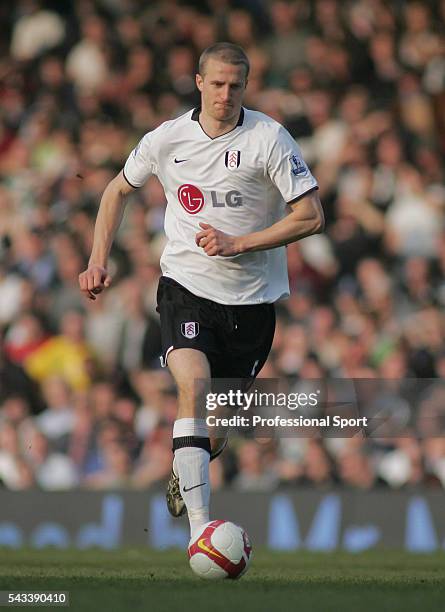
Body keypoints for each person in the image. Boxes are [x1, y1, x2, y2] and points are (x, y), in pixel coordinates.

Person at [78, 42, 324, 541]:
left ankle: (186, 469)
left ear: (245, 87)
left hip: (252, 302)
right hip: (185, 286)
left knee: (215, 427)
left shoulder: (269, 139)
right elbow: (116, 190)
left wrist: (241, 243)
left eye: (235, 85)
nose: (224, 94)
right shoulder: (167, 138)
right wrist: (98, 259)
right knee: (192, 381)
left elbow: (312, 216)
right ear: (198, 82)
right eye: (216, 83)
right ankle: (199, 531)